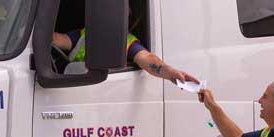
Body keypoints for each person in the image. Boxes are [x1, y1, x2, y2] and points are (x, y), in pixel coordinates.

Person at [51, 18, 198, 84]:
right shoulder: (86, 33)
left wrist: (171, 73)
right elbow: (60, 39)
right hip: (71, 85)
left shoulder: (127, 41)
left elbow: (147, 59)